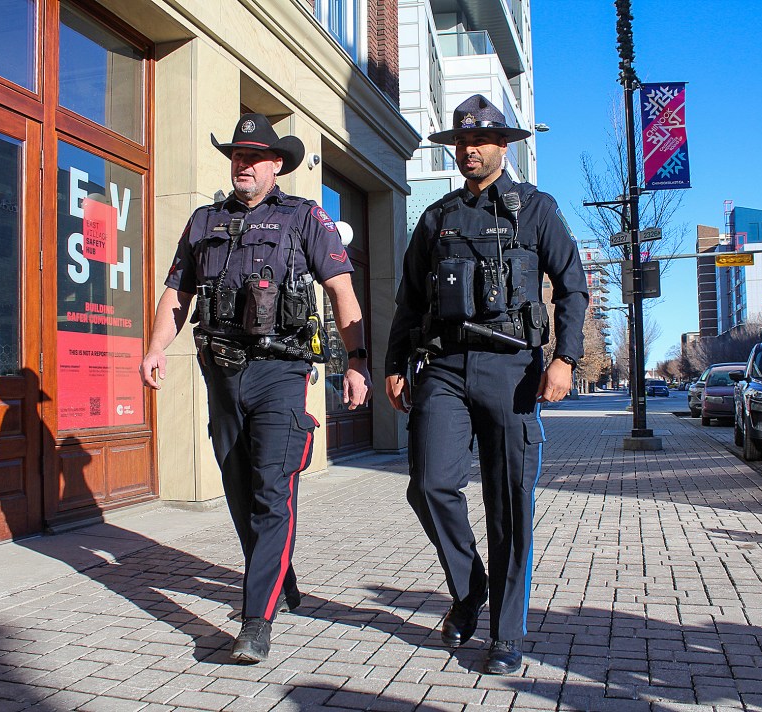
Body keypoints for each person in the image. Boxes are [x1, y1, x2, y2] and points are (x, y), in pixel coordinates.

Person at [141, 114, 372, 664]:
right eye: (236, 156)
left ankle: (255, 621)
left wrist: (357, 361)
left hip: (281, 373)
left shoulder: (303, 218)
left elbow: (341, 289)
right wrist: (154, 347)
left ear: (276, 164)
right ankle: (279, 576)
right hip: (221, 373)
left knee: (271, 487)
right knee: (239, 488)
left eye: (253, 156)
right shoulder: (204, 221)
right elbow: (178, 293)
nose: (242, 164)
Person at [384, 95, 587, 674]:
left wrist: (565, 359)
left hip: (512, 370)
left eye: (483, 140)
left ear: (504, 146)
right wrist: (397, 364)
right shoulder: (436, 217)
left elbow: (572, 287)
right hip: (444, 366)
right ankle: (471, 589)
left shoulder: (536, 210)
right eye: (463, 142)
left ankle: (506, 632)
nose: (471, 150)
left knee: (508, 504)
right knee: (428, 485)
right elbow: (410, 301)